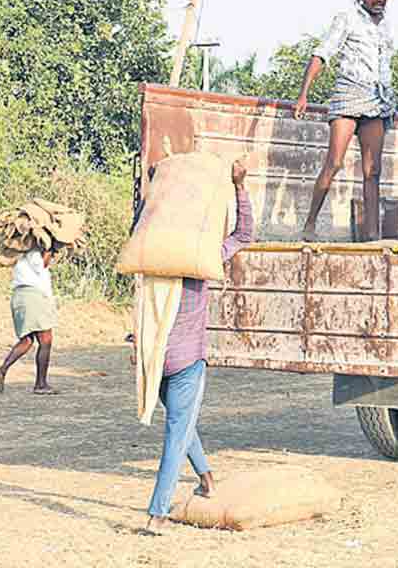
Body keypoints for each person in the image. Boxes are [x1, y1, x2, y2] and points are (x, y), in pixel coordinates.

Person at [142, 159, 253, 535]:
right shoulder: (200, 257)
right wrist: (239, 185)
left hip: (153, 358)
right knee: (177, 430)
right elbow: (244, 235)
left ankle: (206, 479)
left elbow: (139, 226)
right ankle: (158, 513)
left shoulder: (151, 254)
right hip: (188, 360)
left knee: (180, 420)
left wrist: (153, 185)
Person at [294, 0, 395, 241]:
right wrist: (304, 94)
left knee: (372, 171)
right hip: (348, 95)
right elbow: (322, 53)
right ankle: (310, 225)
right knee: (334, 162)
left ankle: (373, 234)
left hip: (377, 100)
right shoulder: (347, 18)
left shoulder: (385, 25)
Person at [0, 246, 60, 395]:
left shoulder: (19, 255)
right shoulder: (33, 252)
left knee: (27, 340)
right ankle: (41, 384)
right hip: (33, 297)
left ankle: (2, 370)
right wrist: (49, 250)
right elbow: (40, 265)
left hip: (19, 297)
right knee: (45, 341)